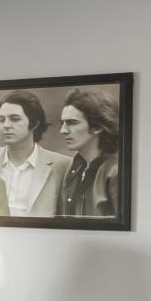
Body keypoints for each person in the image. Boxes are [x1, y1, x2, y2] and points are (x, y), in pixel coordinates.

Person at [0, 91, 71, 217]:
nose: (6, 125)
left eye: (15, 119)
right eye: (1, 120)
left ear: (35, 123)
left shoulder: (62, 165)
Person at [56, 89, 122, 218]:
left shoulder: (116, 171)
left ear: (97, 127)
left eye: (72, 123)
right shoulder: (74, 168)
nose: (63, 130)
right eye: (62, 123)